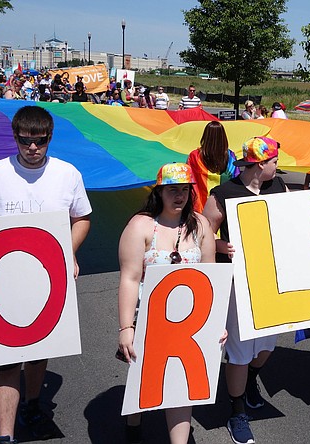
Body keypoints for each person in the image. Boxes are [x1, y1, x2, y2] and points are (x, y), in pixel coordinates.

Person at [0, 106, 92, 444]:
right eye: (25, 141)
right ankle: (4, 436)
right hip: (1, 280)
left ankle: (32, 405)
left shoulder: (68, 174)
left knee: (38, 350)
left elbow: (82, 219)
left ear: (49, 138)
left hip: (48, 278)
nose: (33, 148)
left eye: (40, 141)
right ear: (15, 137)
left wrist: (69, 252)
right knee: (6, 361)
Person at [117, 162, 220, 444]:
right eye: (172, 190)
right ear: (159, 192)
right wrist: (126, 327)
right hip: (147, 321)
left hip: (190, 324)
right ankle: (134, 421)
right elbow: (129, 278)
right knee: (145, 380)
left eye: (185, 190)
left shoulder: (200, 225)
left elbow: (211, 277)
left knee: (180, 386)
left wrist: (215, 323)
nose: (179, 196)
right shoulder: (140, 225)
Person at [202, 137, 287, 444]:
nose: (278, 167)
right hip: (238, 281)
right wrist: (220, 244)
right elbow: (203, 232)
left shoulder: (278, 187)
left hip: (270, 280)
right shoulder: (223, 193)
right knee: (239, 350)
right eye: (274, 162)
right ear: (260, 164)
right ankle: (236, 411)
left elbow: (286, 224)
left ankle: (251, 380)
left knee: (266, 346)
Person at [186, 121, 239, 213]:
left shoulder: (195, 156)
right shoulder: (231, 156)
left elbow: (188, 179)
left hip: (201, 208)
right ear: (223, 137)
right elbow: (236, 178)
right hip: (224, 208)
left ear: (205, 136)